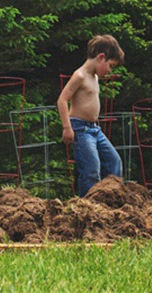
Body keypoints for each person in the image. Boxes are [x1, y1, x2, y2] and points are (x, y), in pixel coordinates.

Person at [58, 34, 125, 197]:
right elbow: (62, 100)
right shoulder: (79, 76)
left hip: (95, 130)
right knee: (91, 169)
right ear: (101, 58)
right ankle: (87, 206)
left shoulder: (94, 77)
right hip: (80, 129)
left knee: (114, 161)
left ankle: (113, 198)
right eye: (110, 66)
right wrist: (67, 127)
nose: (109, 71)